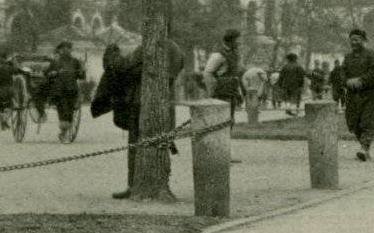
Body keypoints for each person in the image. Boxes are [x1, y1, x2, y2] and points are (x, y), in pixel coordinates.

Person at [93, 37, 187, 198]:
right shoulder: (177, 50)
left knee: (135, 145)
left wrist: (112, 52)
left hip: (140, 103)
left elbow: (122, 66)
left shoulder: (149, 46)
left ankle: (133, 185)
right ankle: (159, 185)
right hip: (164, 104)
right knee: (160, 145)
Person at [341, 29, 374, 161]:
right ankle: (365, 149)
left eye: (357, 39)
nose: (354, 42)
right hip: (352, 95)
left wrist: (361, 80)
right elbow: (342, 72)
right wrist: (347, 81)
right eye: (352, 40)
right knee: (354, 123)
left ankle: (364, 148)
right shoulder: (347, 57)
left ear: (363, 40)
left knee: (367, 122)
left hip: (369, 94)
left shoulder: (371, 55)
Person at [43, 40, 86, 142]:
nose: (67, 50)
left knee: (70, 111)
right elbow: (46, 73)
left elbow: (82, 76)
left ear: (71, 50)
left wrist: (82, 71)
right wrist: (53, 73)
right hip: (59, 91)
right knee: (63, 110)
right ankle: (63, 132)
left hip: (72, 90)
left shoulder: (75, 62)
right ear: (61, 50)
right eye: (65, 49)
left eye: (69, 48)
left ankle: (63, 132)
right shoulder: (56, 61)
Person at [201, 31, 243, 121]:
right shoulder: (218, 55)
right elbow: (207, 73)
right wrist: (213, 92)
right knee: (221, 120)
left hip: (231, 92)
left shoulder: (234, 54)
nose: (239, 42)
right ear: (231, 40)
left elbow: (235, 75)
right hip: (221, 94)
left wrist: (239, 93)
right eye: (238, 40)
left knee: (230, 120)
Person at [0, 51, 23, 130]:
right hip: (9, 91)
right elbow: (18, 70)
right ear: (6, 59)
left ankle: (2, 123)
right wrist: (14, 60)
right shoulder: (10, 69)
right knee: (10, 106)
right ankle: (4, 120)